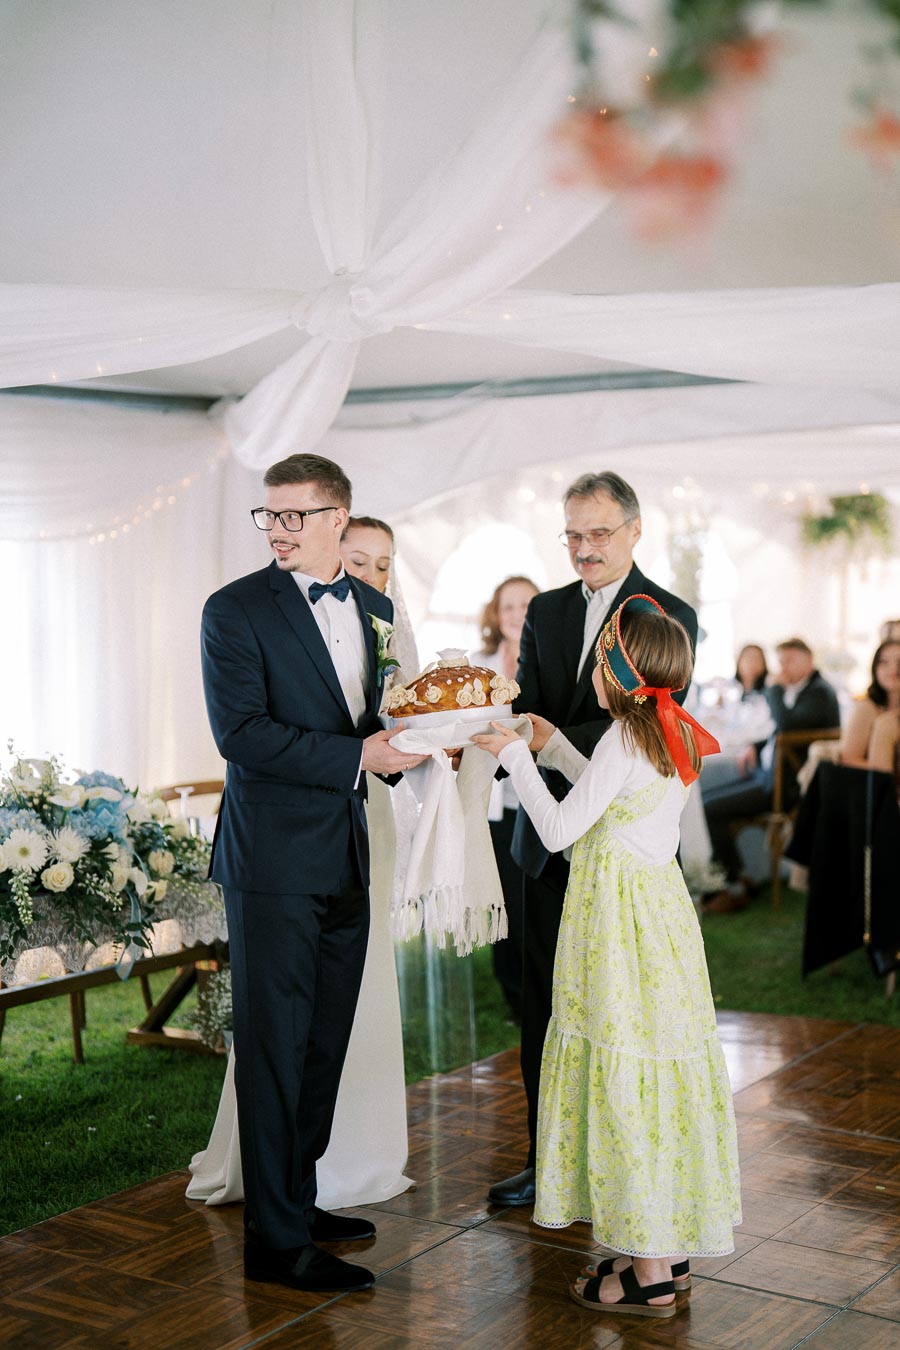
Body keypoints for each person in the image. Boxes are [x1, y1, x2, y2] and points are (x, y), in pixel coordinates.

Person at [474, 596, 739, 1318]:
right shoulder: (667, 731)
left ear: (618, 673)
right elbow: (610, 788)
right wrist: (552, 744)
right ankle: (664, 1245)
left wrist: (511, 758)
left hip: (616, 932)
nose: (591, 669)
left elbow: (561, 827)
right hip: (660, 924)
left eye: (599, 660)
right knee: (657, 1073)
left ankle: (648, 1271)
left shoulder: (627, 739)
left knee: (623, 1075)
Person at [199, 454, 426, 1294]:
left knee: (324, 1041)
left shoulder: (373, 606)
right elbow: (243, 736)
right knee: (274, 1047)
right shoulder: (233, 611)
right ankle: (275, 1243)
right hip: (271, 865)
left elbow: (373, 723)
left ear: (339, 518)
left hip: (346, 851)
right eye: (270, 517)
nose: (279, 530)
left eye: (296, 516)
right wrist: (359, 754)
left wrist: (412, 748)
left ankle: (298, 1196)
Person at [486, 471, 697, 1209]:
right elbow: (526, 702)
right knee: (544, 1007)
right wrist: (514, 729)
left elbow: (649, 721)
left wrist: (542, 740)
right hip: (545, 843)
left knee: (620, 1019)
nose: (583, 549)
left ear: (636, 530)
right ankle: (549, 1163)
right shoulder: (543, 609)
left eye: (598, 534)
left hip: (626, 856)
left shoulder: (671, 614)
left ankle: (620, 1169)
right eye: (572, 535)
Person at [702, 638, 841, 912]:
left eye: (789, 660)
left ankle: (734, 886)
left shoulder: (820, 692)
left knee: (709, 808)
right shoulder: (803, 690)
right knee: (705, 798)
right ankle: (740, 877)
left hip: (788, 789)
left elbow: (788, 725)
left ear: (808, 661)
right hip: (770, 778)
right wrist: (756, 746)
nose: (783, 667)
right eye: (781, 661)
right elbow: (782, 733)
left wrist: (774, 689)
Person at [471, 575, 540, 1020]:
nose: (516, 614)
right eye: (508, 605)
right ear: (496, 614)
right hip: (497, 800)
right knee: (504, 897)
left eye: (526, 604)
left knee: (536, 896)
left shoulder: (548, 660)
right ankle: (515, 992)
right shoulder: (478, 666)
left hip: (538, 796)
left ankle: (542, 985)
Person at [842, 640, 900, 767]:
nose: (893, 669)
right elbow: (849, 759)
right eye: (884, 662)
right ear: (875, 669)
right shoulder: (867, 707)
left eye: (899, 662)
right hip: (874, 782)